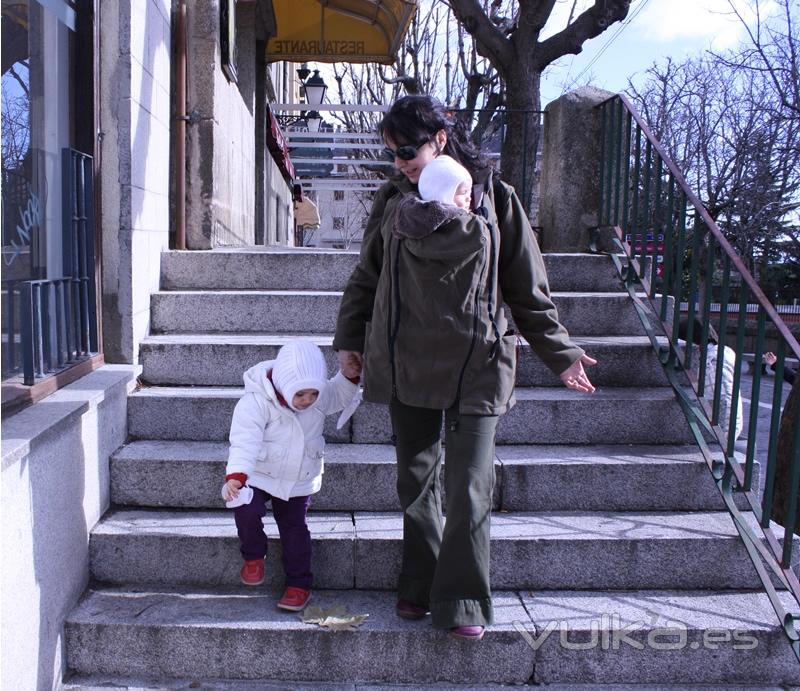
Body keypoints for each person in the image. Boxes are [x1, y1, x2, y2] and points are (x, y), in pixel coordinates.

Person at [333, 95, 596, 641]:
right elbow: (366, 277)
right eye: (392, 154)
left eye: (408, 149)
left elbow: (527, 287)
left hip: (479, 361)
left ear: (441, 140)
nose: (401, 161)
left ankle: (462, 601)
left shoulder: (496, 199)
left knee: (471, 484)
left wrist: (561, 353)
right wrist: (349, 341)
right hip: (405, 357)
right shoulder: (392, 199)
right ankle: (419, 578)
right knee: (415, 478)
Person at [222, 339, 359, 611]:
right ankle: (253, 554)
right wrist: (237, 475)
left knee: (294, 529)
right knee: (246, 509)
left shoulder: (319, 396)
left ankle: (299, 584)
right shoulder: (257, 401)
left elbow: (340, 394)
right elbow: (245, 440)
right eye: (300, 395)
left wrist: (349, 376)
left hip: (298, 477)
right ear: (285, 384)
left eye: (312, 394)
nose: (307, 401)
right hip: (260, 472)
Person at [677, 318, 743, 441]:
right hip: (734, 424)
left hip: (722, 431)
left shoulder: (710, 363)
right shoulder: (724, 351)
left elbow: (720, 402)